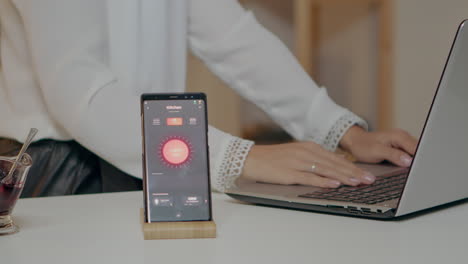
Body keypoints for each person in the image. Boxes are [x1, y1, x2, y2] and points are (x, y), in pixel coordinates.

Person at [0, 0, 417, 197]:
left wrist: (342, 129)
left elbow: (233, 38)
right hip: (65, 176)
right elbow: (80, 95)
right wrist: (240, 157)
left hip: (158, 158)